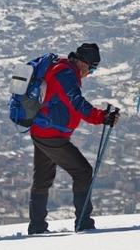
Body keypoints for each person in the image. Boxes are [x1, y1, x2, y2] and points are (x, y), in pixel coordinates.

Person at [28, 43, 120, 234]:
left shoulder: (61, 69)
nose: (91, 73)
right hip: (51, 134)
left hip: (43, 130)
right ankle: (83, 223)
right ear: (84, 63)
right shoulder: (66, 74)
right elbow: (77, 103)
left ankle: (37, 226)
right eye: (92, 68)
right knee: (83, 172)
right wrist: (101, 117)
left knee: (42, 179)